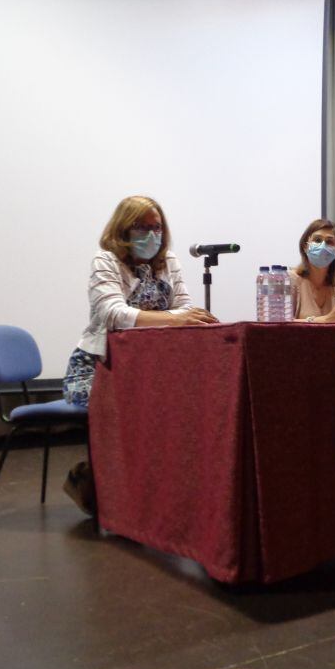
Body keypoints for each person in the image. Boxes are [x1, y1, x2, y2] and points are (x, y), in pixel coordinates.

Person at [61, 195, 217, 513]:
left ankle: (153, 493)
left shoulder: (167, 261)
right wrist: (176, 319)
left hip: (148, 368)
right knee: (137, 413)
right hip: (98, 368)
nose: (151, 234)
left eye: (157, 227)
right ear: (123, 229)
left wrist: (186, 317)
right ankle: (104, 485)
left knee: (184, 408)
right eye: (142, 227)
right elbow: (113, 313)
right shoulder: (106, 259)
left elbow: (183, 306)